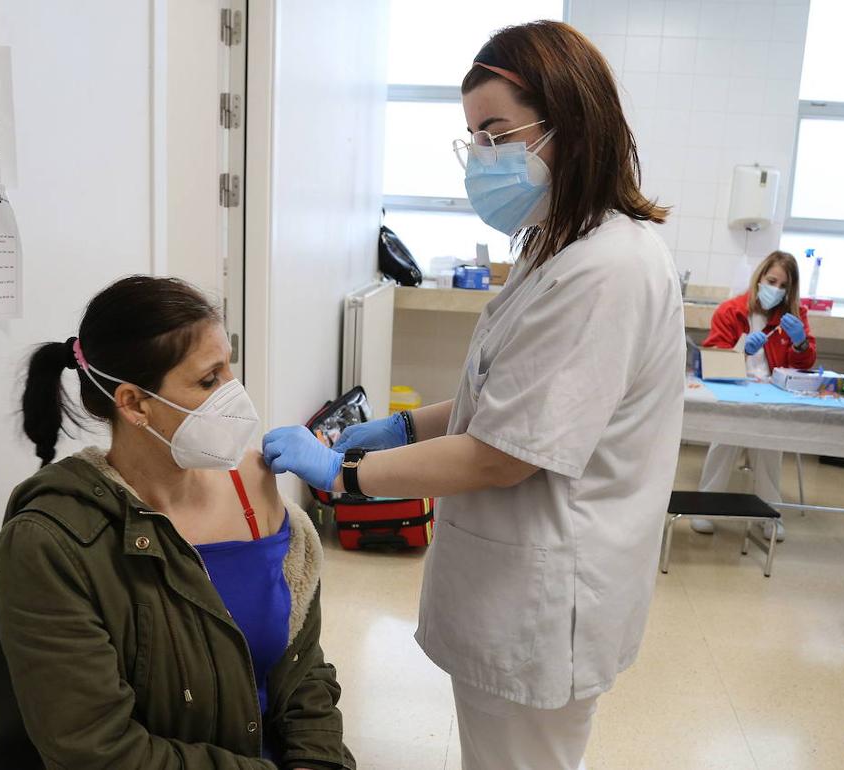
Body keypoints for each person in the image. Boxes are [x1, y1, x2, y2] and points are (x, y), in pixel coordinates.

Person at [262, 22, 685, 770]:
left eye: (497, 133)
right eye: (473, 139)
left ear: (571, 125)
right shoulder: (558, 246)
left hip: (548, 595)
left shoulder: (605, 269)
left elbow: (502, 455)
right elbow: (502, 400)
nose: (482, 159)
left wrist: (344, 477)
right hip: (519, 579)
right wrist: (396, 428)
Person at [0, 276, 353, 770]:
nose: (235, 395)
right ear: (134, 404)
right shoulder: (53, 543)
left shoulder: (252, 482)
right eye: (209, 380)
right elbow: (97, 751)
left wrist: (318, 761)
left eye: (230, 367)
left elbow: (302, 667)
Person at [691, 250, 816, 541]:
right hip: (735, 388)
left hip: (773, 393)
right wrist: (740, 350)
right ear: (759, 277)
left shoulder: (795, 317)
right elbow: (713, 359)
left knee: (771, 446)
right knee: (724, 441)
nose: (776, 289)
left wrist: (800, 344)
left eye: (784, 286)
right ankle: (705, 508)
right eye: (771, 280)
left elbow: (805, 365)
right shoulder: (731, 311)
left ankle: (768, 514)